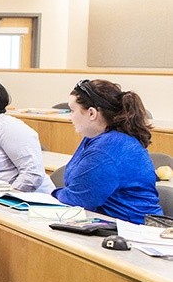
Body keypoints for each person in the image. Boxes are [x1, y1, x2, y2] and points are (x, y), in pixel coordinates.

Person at [53, 79, 161, 224]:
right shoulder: (95, 137)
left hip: (134, 232)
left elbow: (79, 199)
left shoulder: (107, 148)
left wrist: (51, 194)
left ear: (91, 113)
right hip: (109, 224)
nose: (70, 117)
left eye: (72, 111)